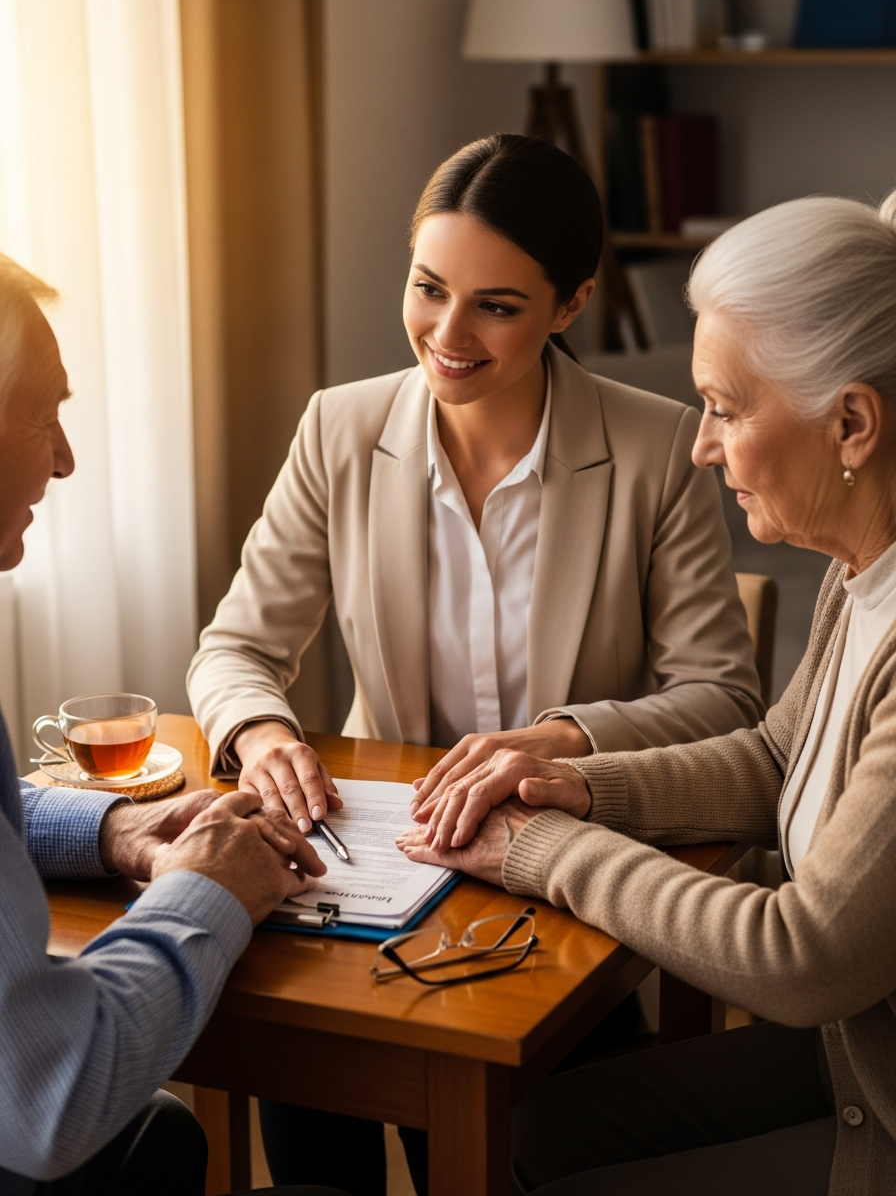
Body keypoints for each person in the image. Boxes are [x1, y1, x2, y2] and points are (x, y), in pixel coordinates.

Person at [188, 134, 762, 1194]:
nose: (444, 336)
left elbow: (724, 697)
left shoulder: (655, 448)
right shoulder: (338, 428)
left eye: (494, 305)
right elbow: (236, 647)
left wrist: (555, 738)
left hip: (554, 884)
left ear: (570, 302)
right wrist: (260, 729)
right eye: (426, 287)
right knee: (302, 1078)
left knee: (510, 1138)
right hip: (374, 864)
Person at [399, 189, 896, 1195]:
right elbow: (772, 755)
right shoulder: (860, 575)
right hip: (854, 1055)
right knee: (536, 1125)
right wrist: (578, 784)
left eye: (723, 406)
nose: (704, 445)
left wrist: (538, 850)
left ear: (849, 423)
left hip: (875, 1108)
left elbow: (801, 954)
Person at [0, 252, 349, 1196]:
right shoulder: (341, 427)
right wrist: (206, 889)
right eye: (45, 417)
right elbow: (51, 1094)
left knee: (163, 1139)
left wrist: (111, 826)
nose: (66, 459)